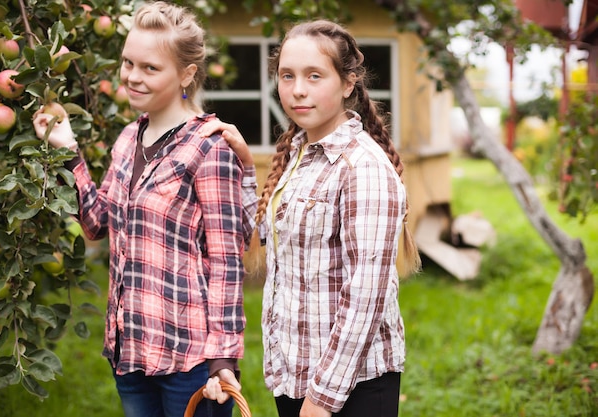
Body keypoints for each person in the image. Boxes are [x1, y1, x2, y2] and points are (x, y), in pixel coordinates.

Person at [32, 2, 257, 416]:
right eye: (128, 63)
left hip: (188, 360)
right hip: (130, 349)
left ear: (186, 74)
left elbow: (227, 259)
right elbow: (98, 223)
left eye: (150, 68)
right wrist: (66, 149)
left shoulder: (209, 147)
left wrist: (223, 358)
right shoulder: (126, 138)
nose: (132, 77)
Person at [201, 19, 421, 417]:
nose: (297, 89)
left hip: (350, 387)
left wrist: (322, 399)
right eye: (287, 76)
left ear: (348, 83)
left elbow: (366, 297)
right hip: (296, 372)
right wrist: (248, 166)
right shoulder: (301, 154)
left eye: (314, 75)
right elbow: (271, 237)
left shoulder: (362, 167)